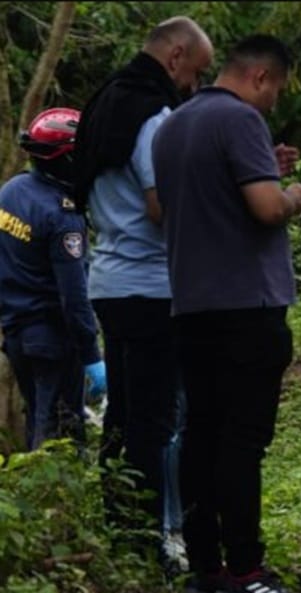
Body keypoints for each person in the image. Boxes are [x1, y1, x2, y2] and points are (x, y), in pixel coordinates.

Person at [151, 34, 301, 593]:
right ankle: (248, 567)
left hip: (191, 304)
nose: (273, 103)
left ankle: (206, 567)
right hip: (249, 307)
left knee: (200, 435)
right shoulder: (242, 119)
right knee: (242, 443)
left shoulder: (173, 124)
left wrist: (262, 168)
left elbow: (185, 204)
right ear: (261, 78)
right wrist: (293, 192)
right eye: (276, 90)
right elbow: (266, 208)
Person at [71, 15, 213, 569]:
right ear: (174, 58)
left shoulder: (106, 102)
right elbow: (161, 206)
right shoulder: (154, 117)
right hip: (153, 286)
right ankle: (148, 546)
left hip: (108, 280)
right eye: (195, 74)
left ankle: (119, 533)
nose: (194, 89)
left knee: (122, 419)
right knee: (154, 425)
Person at [0, 107, 106, 452]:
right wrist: (92, 356)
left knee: (38, 420)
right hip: (52, 340)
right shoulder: (63, 217)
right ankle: (56, 506)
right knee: (59, 435)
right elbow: (74, 297)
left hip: (16, 334)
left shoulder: (12, 191)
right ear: (68, 158)